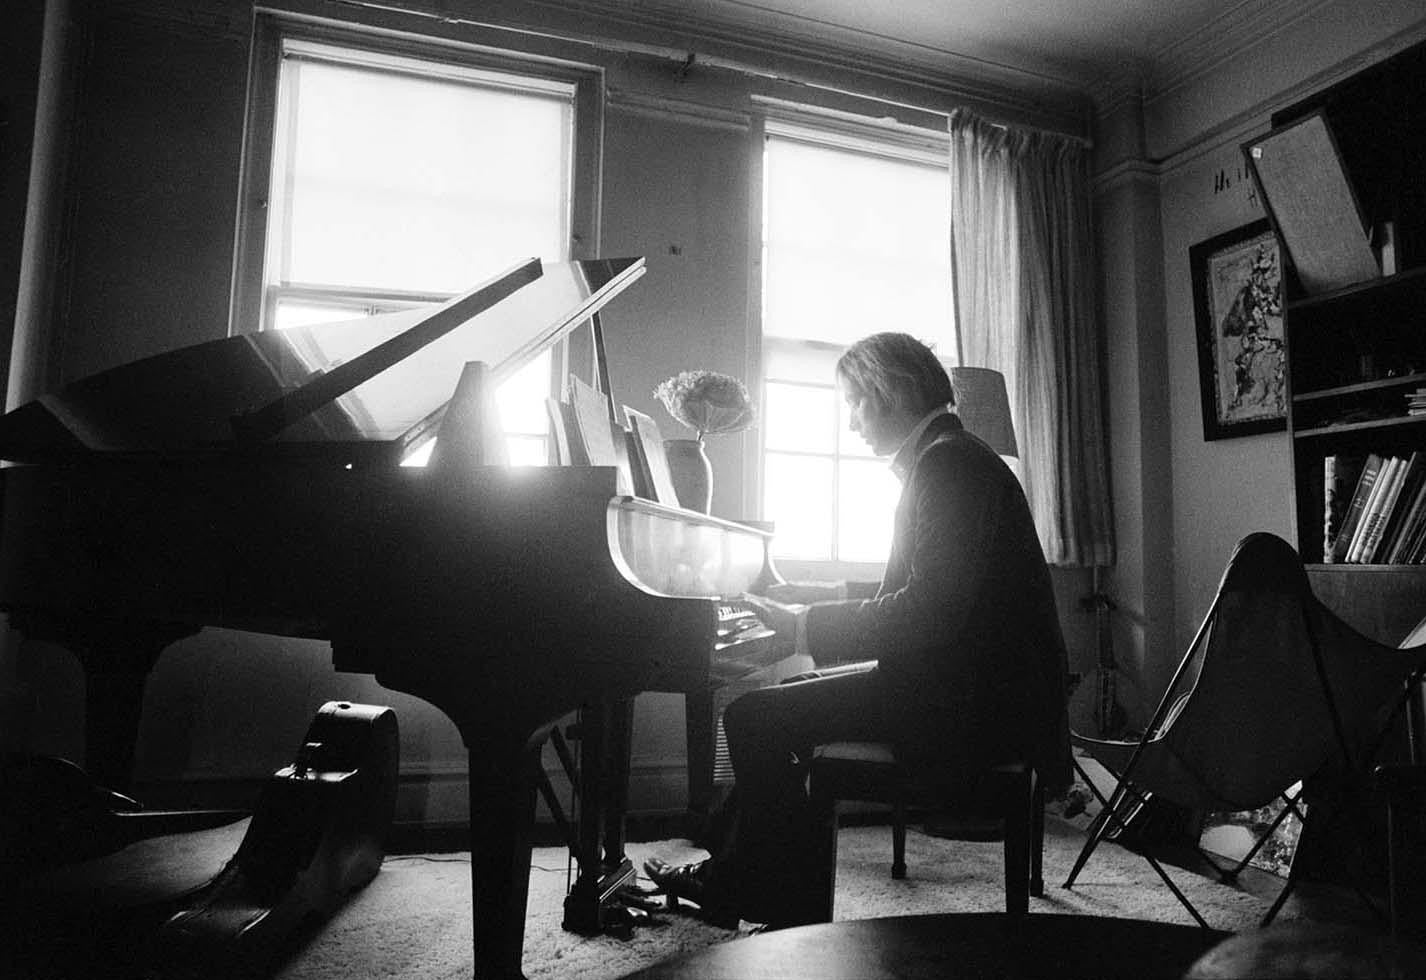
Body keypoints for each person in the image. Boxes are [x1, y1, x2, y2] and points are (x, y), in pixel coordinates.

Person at [643, 331, 1072, 929]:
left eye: (855, 403)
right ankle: (742, 878)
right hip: (968, 687)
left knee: (753, 718)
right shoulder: (951, 456)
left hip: (974, 710)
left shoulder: (948, 466)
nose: (852, 424)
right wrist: (816, 597)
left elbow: (930, 610)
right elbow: (929, 594)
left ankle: (769, 897)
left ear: (890, 391)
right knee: (772, 710)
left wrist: (802, 630)